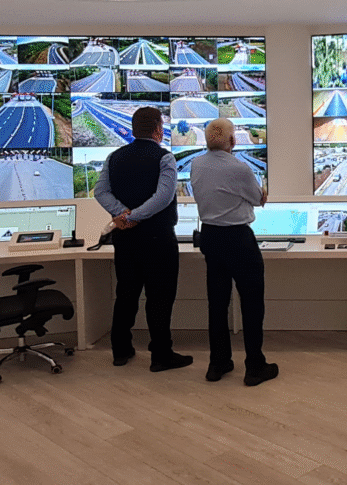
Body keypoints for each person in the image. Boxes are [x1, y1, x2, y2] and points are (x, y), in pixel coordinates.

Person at [94, 107, 193, 372]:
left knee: (126, 294)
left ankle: (121, 350)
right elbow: (163, 197)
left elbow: (100, 192)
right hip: (158, 239)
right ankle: (161, 355)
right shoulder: (165, 158)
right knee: (159, 298)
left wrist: (122, 214)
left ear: (133, 129)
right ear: (159, 130)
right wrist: (135, 215)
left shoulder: (114, 157)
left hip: (125, 240)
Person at [190, 118, 278, 386]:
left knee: (217, 304)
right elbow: (258, 199)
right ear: (232, 140)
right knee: (252, 304)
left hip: (210, 236)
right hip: (238, 239)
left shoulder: (196, 164)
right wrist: (260, 194)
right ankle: (254, 367)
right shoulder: (239, 168)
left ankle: (217, 364)